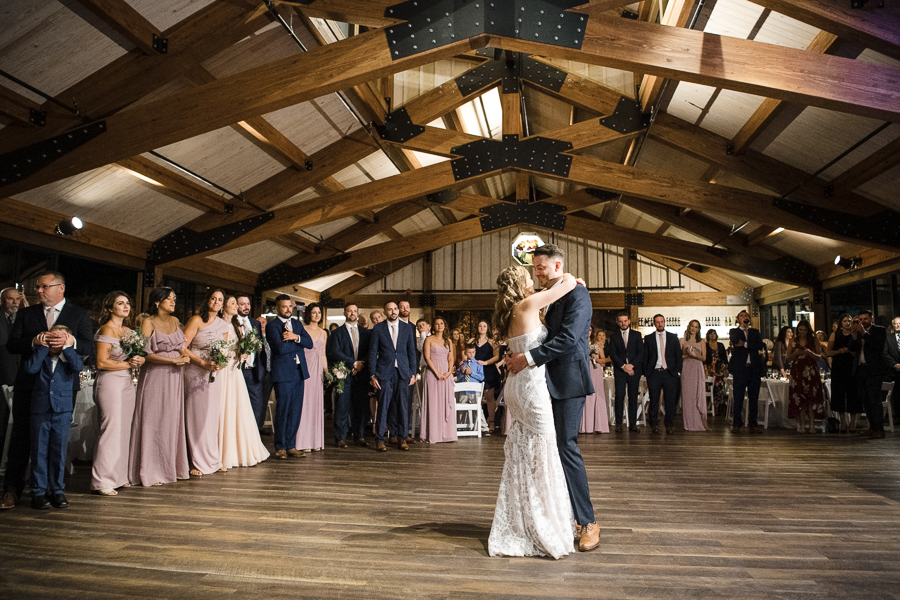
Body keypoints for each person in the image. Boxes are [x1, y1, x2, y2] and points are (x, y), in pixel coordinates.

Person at [505, 244, 599, 554]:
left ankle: (588, 522)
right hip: (545, 383)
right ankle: (563, 516)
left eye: (541, 267)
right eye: (534, 268)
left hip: (569, 382)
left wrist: (527, 358)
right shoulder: (556, 294)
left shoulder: (578, 295)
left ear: (557, 267)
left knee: (566, 446)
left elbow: (570, 339)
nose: (537, 272)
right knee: (549, 450)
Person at [1, 271, 93, 511]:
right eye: (38, 287)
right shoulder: (26, 313)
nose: (38, 291)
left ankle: (53, 488)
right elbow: (12, 345)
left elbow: (88, 347)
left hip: (62, 388)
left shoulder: (78, 314)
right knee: (21, 439)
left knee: (56, 442)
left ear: (60, 288)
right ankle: (12, 489)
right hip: (29, 387)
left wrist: (70, 341)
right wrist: (35, 341)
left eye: (44, 287)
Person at [128, 286, 190, 487]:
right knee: (153, 418)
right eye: (169, 299)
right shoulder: (148, 322)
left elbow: (181, 347)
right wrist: (171, 361)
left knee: (171, 419)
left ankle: (169, 466)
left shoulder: (175, 322)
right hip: (156, 376)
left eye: (174, 298)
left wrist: (184, 358)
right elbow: (144, 353)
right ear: (157, 302)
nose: (173, 302)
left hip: (175, 378)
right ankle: (151, 469)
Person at [24, 324, 83, 509]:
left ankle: (57, 490)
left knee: (59, 450)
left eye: (60, 338)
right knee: (39, 451)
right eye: (52, 338)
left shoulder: (68, 358)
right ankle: (38, 492)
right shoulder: (39, 356)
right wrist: (42, 347)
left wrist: (67, 347)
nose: (55, 342)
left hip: (62, 409)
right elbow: (30, 369)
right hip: (40, 409)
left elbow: (78, 366)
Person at [92, 292, 145, 496]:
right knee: (110, 429)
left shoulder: (128, 331)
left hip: (127, 383)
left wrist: (140, 360)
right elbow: (101, 362)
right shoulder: (107, 329)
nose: (126, 306)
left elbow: (136, 357)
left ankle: (119, 477)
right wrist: (127, 363)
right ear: (110, 308)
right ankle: (102, 480)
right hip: (110, 383)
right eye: (120, 303)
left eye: (127, 303)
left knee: (124, 429)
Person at [218, 296, 269, 468]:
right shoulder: (220, 323)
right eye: (235, 303)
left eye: (247, 303)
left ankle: (243, 444)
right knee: (227, 408)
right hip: (227, 370)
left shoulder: (244, 325)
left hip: (243, 370)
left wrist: (243, 354)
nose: (242, 306)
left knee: (246, 409)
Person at [182, 290, 228, 477]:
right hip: (195, 371)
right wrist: (202, 363)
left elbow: (223, 350)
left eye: (220, 300)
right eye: (213, 298)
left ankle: (211, 459)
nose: (216, 302)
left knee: (210, 417)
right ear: (207, 301)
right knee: (196, 417)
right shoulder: (196, 320)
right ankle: (195, 461)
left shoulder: (223, 324)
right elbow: (182, 347)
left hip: (213, 375)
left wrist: (219, 364)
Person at [266, 294, 314, 459]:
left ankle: (291, 445)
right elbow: (279, 349)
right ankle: (280, 447)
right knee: (283, 410)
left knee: (295, 411)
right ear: (277, 308)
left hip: (299, 373)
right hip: (283, 374)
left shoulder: (297, 324)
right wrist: (298, 344)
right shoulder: (272, 326)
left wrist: (295, 337)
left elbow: (309, 343)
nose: (288, 309)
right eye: (284, 306)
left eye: (290, 306)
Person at [368, 301, 417, 452]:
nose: (394, 311)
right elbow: (372, 352)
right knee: (383, 407)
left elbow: (411, 352)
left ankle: (402, 439)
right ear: (385, 312)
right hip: (384, 373)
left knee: (403, 407)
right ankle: (380, 439)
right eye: (390, 309)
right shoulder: (378, 328)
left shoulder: (407, 328)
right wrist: (372, 374)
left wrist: (413, 373)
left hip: (403, 373)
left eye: (395, 309)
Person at [326, 303, 372, 448]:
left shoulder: (366, 333)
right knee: (342, 406)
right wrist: (353, 363)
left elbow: (370, 351)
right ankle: (340, 437)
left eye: (355, 311)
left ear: (358, 313)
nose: (352, 313)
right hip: (343, 374)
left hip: (361, 375)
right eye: (350, 311)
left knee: (360, 407)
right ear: (345, 313)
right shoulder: (337, 333)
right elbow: (334, 352)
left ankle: (359, 436)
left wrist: (361, 364)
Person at [848, 309, 889, 440]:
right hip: (861, 369)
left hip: (874, 370)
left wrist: (864, 333)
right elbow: (852, 348)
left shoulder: (879, 330)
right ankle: (871, 427)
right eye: (860, 319)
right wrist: (854, 337)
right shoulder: (859, 333)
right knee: (865, 400)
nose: (862, 322)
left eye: (865, 319)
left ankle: (879, 429)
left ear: (872, 319)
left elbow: (878, 347)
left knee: (874, 400)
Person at [643, 314, 683, 435]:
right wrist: (646, 373)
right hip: (654, 373)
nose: (660, 324)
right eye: (657, 322)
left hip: (669, 373)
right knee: (654, 400)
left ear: (664, 322)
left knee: (670, 401)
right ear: (654, 323)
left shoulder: (673, 337)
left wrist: (678, 372)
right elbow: (645, 356)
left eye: (661, 321)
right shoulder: (649, 338)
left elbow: (678, 356)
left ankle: (669, 424)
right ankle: (654, 424)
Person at [296, 302, 327, 453]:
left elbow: (323, 354)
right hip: (305, 367)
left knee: (315, 404)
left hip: (318, 372)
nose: (317, 315)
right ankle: (302, 441)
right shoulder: (302, 329)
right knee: (304, 403)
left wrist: (327, 371)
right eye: (314, 312)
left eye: (319, 312)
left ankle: (315, 441)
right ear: (309, 314)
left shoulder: (324, 332)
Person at [420, 316, 456, 444]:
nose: (439, 326)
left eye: (441, 323)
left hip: (446, 373)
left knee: (447, 401)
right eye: (436, 324)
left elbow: (451, 358)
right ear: (433, 326)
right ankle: (433, 434)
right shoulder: (429, 339)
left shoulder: (449, 341)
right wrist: (437, 373)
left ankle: (447, 434)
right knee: (433, 402)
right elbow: (427, 358)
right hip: (433, 372)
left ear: (444, 325)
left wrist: (449, 372)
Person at [728, 309, 765, 434]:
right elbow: (735, 342)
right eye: (742, 316)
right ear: (738, 319)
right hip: (740, 369)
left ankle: (753, 424)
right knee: (738, 397)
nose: (744, 317)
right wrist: (749, 344)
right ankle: (737, 424)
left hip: (754, 369)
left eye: (746, 316)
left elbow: (760, 345)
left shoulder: (755, 332)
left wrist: (744, 344)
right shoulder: (734, 331)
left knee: (754, 397)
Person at [787, 320, 827, 433]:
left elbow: (819, 356)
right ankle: (802, 424)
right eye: (800, 330)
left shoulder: (813, 340)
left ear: (808, 330)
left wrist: (810, 353)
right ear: (797, 330)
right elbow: (789, 357)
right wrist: (796, 353)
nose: (802, 332)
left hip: (811, 369)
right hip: (798, 370)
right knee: (799, 397)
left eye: (805, 330)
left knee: (811, 397)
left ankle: (812, 424)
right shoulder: (793, 341)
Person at [608, 312, 643, 432]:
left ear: (629, 321)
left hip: (634, 371)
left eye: (625, 321)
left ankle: (633, 424)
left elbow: (641, 353)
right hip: (620, 371)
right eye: (621, 321)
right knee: (620, 396)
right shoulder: (613, 336)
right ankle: (619, 424)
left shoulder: (637, 335)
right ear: (618, 322)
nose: (623, 323)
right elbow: (613, 354)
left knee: (633, 397)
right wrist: (624, 366)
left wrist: (631, 366)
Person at [236, 295, 267, 432]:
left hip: (254, 371)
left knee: (256, 406)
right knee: (237, 406)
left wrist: (263, 369)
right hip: (237, 370)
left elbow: (260, 349)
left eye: (248, 303)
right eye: (242, 304)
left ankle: (253, 438)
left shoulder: (255, 323)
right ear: (236, 305)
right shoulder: (231, 323)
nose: (246, 306)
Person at [388, 300, 417, 443]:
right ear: (397, 310)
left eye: (408, 306)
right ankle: (393, 433)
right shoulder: (388, 326)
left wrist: (414, 372)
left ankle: (404, 434)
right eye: (402, 307)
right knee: (393, 403)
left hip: (406, 371)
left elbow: (413, 352)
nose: (405, 309)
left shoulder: (412, 327)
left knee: (407, 403)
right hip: (391, 369)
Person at [0, 287, 23, 464]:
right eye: (10, 299)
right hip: (2, 374)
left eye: (17, 299)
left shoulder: (23, 318)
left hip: (20, 374)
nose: (15, 302)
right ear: (2, 301)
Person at [828, 314, 860, 432]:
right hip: (839, 365)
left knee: (853, 393)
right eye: (845, 321)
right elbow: (828, 351)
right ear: (841, 322)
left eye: (849, 321)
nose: (847, 323)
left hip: (852, 365)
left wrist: (850, 351)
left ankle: (852, 422)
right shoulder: (835, 334)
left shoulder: (855, 334)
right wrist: (839, 351)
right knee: (839, 393)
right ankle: (842, 421)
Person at [470, 320, 501, 432]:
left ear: (487, 328)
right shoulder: (472, 341)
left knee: (489, 397)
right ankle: (478, 422)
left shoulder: (493, 341)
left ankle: (491, 422)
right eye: (480, 326)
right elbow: (467, 353)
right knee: (476, 397)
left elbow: (497, 356)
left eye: (484, 326)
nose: (482, 328)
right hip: (476, 371)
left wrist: (485, 362)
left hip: (488, 370)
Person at [681, 319, 707, 432]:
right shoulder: (682, 340)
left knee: (698, 393)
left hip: (697, 367)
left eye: (696, 327)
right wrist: (688, 355)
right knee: (687, 395)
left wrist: (694, 356)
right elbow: (678, 357)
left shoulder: (701, 341)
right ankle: (688, 424)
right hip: (686, 368)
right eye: (692, 326)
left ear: (699, 329)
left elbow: (704, 358)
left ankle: (699, 422)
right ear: (688, 326)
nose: (694, 329)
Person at [704, 329, 728, 415]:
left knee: (720, 390)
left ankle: (719, 409)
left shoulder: (720, 345)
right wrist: (706, 369)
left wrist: (726, 368)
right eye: (711, 334)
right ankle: (708, 407)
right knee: (709, 388)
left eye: (714, 333)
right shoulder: (706, 345)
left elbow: (725, 358)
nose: (713, 335)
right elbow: (705, 359)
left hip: (719, 370)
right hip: (710, 370)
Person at [883, 316, 900, 428]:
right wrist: (895, 364)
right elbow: (885, 353)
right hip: (894, 372)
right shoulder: (888, 338)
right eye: (896, 323)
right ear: (893, 325)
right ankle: (897, 416)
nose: (898, 325)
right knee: (896, 396)